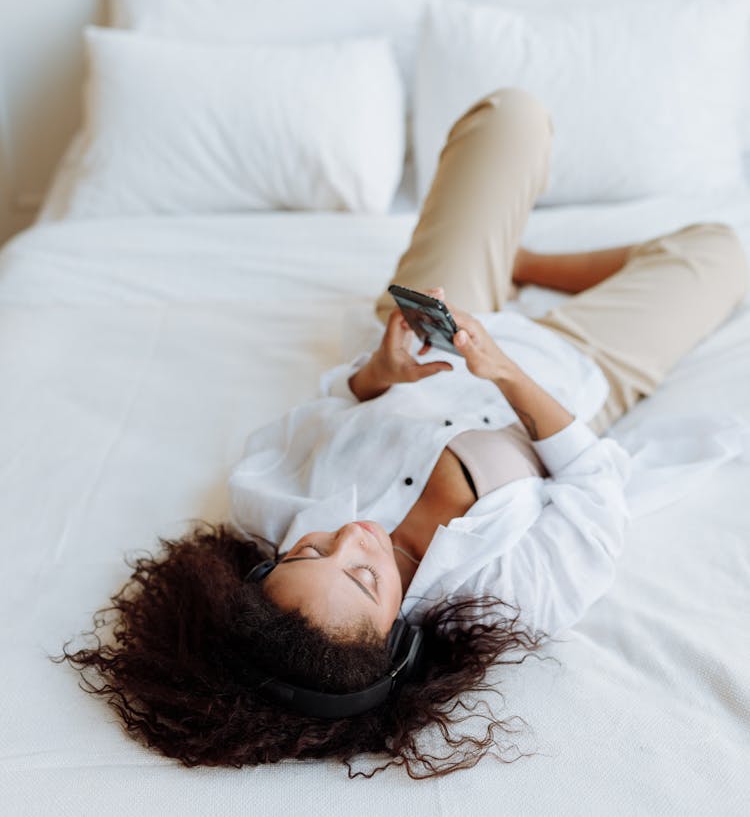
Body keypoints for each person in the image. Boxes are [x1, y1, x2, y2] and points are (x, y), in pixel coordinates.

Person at [59, 88, 749, 778]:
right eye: (362, 575)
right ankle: (528, 265)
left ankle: (501, 266)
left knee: (509, 116)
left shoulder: (265, 505)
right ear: (394, 640)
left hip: (432, 327)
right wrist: (507, 374)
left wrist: (375, 376)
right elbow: (597, 487)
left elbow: (315, 414)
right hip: (572, 370)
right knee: (724, 250)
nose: (353, 535)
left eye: (311, 550)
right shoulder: (504, 595)